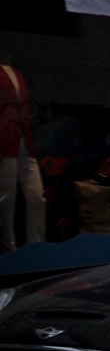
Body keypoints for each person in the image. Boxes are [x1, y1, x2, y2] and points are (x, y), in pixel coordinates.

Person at [0, 54, 45, 253]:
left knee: (37, 197)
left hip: (23, 139)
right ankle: (8, 248)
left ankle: (36, 246)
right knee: (6, 199)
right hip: (6, 140)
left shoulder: (17, 73)